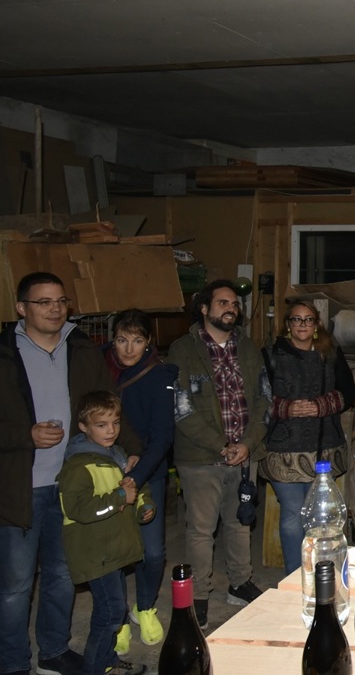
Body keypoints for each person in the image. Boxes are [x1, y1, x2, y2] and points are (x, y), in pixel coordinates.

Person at [0, 272, 137, 675]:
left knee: (62, 576)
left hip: (70, 487)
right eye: (44, 302)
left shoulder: (81, 348)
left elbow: (107, 404)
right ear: (22, 308)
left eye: (61, 301)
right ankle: (12, 664)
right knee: (16, 587)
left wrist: (131, 452)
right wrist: (24, 435)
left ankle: (54, 651)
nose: (55, 308)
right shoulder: (5, 353)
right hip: (19, 488)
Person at [167, 280, 269, 629]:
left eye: (235, 304)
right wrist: (220, 446)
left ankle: (240, 583)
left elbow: (263, 399)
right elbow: (180, 408)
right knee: (200, 530)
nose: (231, 308)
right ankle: (199, 594)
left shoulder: (249, 347)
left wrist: (247, 444)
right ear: (205, 309)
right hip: (201, 458)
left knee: (241, 522)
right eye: (223, 302)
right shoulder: (183, 349)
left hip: (244, 455)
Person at [57, 391, 153, 675]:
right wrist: (120, 497)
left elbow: (134, 488)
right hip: (94, 552)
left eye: (115, 422)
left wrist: (143, 506)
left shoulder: (116, 455)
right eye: (101, 424)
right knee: (110, 613)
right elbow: (78, 508)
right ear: (84, 427)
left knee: (114, 609)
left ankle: (107, 660)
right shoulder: (78, 465)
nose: (111, 430)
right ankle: (95, 667)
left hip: (111, 549)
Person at [261, 300, 355, 574]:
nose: (302, 325)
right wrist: (286, 407)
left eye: (308, 320)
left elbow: (349, 393)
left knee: (320, 517)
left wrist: (320, 405)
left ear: (316, 326)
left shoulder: (331, 354)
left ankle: (322, 573)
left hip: (323, 448)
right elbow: (257, 397)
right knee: (292, 515)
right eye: (296, 319)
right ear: (288, 325)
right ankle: (295, 574)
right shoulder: (270, 355)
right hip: (284, 450)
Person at [102, 310, 177, 652]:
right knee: (114, 553)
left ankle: (144, 607)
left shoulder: (159, 375)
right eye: (121, 340)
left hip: (148, 475)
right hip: (105, 476)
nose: (128, 348)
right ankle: (116, 619)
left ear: (148, 342)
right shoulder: (100, 369)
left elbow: (162, 437)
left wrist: (135, 477)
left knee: (153, 552)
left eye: (136, 340)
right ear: (112, 340)